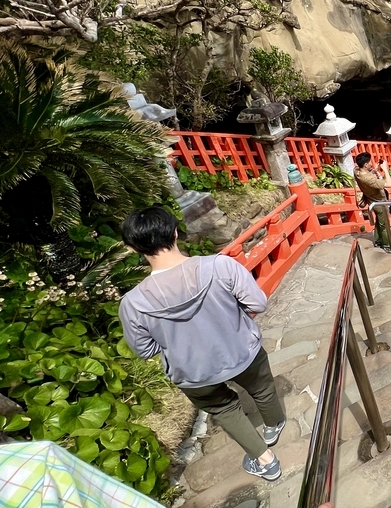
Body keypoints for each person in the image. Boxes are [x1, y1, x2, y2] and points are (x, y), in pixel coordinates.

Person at [119, 207, 286, 482]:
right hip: (242, 351)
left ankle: (266, 461)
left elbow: (144, 349)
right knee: (263, 387)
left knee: (224, 409)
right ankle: (274, 425)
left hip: (193, 373)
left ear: (133, 247)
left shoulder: (133, 304)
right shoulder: (219, 266)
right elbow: (257, 303)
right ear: (174, 232)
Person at [354, 152, 391, 252]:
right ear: (365, 165)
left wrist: (375, 169)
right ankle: (387, 245)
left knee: (380, 221)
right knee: (385, 225)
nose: (370, 164)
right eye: (369, 163)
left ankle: (378, 240)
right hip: (379, 202)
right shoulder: (368, 179)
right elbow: (389, 184)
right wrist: (385, 170)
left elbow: (367, 171)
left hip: (371, 200)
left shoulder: (357, 171)